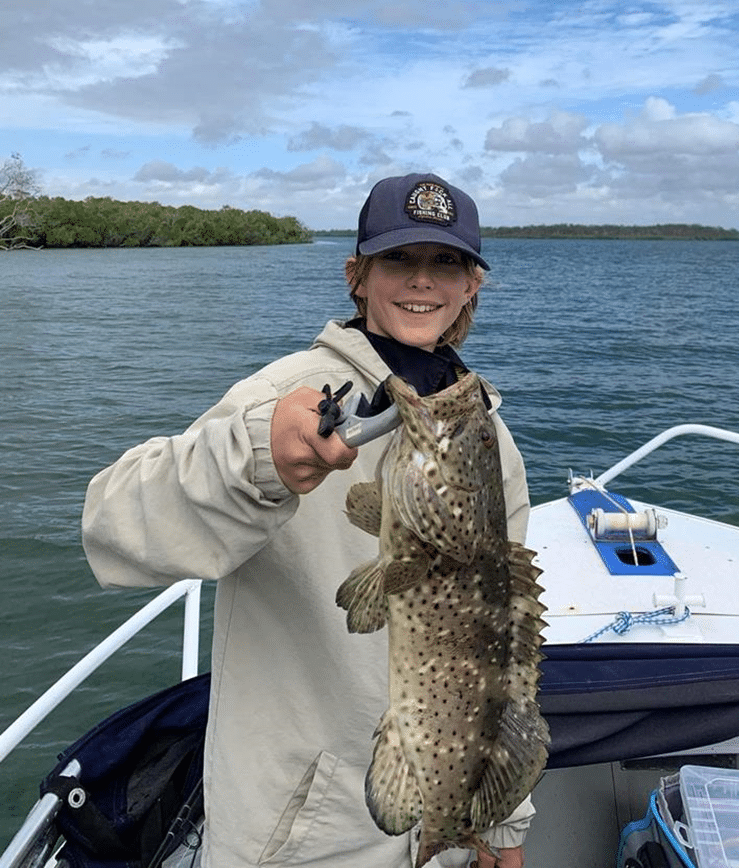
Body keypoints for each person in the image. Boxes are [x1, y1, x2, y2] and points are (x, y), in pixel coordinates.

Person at [82, 173, 536, 868]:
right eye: (398, 260)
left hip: (440, 829)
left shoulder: (482, 430)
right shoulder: (283, 393)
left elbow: (503, 646)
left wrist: (503, 824)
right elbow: (111, 527)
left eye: (445, 262)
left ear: (472, 283)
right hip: (302, 840)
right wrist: (257, 457)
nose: (422, 281)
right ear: (356, 276)